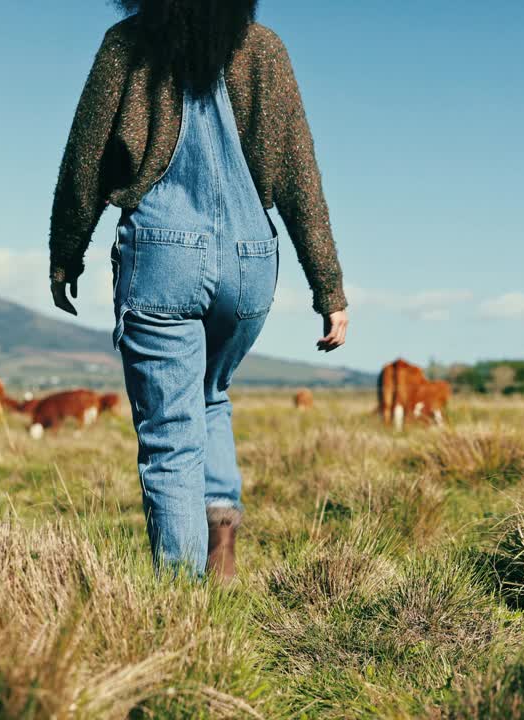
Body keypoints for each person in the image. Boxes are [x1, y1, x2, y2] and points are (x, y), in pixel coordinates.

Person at [48, 0, 348, 579]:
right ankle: (222, 549)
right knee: (208, 392)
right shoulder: (264, 47)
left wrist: (67, 251)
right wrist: (328, 288)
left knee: (169, 435)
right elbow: (298, 173)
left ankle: (181, 605)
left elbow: (85, 158)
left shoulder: (126, 44)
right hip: (250, 260)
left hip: (162, 255)